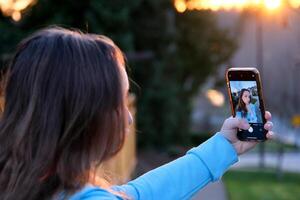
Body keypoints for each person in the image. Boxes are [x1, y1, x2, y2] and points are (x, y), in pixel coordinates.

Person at [0, 27, 273, 200]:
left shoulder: (24, 183)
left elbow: (138, 194)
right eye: (119, 102)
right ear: (84, 114)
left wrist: (223, 147)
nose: (129, 116)